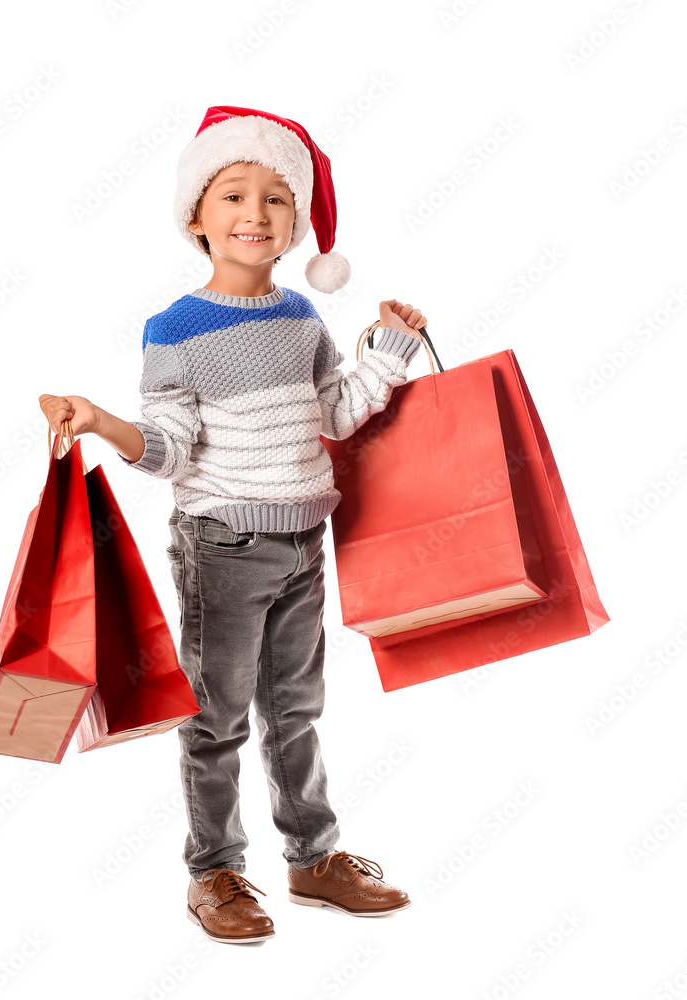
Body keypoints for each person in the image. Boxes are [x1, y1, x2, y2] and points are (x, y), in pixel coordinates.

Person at [39, 105, 428, 945]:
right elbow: (173, 451)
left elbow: (338, 413)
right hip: (222, 550)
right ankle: (215, 871)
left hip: (303, 542)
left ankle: (312, 858)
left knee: (297, 707)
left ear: (295, 227)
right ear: (196, 218)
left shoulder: (301, 322)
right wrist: (105, 421)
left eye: (276, 200)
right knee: (216, 716)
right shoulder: (174, 331)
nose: (255, 214)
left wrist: (388, 353)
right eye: (233, 196)